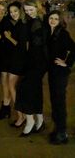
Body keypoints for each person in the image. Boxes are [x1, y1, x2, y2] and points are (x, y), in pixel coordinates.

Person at [15, 0, 47, 137]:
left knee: (25, 90)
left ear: (37, 7)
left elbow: (38, 45)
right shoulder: (33, 21)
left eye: (31, 9)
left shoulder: (38, 23)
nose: (28, 12)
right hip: (33, 61)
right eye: (26, 10)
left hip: (37, 63)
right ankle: (39, 119)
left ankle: (30, 120)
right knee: (35, 90)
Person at [47, 10, 75, 144]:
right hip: (53, 72)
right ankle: (58, 129)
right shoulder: (50, 33)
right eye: (51, 18)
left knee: (59, 102)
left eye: (56, 19)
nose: (52, 21)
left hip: (60, 73)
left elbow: (74, 48)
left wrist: (67, 63)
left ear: (60, 21)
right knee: (55, 101)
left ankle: (62, 132)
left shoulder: (62, 34)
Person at [2, 1, 28, 127]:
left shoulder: (22, 25)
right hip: (15, 59)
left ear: (20, 11)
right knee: (12, 86)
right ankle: (21, 115)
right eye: (11, 12)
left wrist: (8, 37)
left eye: (15, 11)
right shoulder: (18, 24)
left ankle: (21, 116)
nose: (13, 14)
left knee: (12, 87)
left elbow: (21, 45)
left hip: (19, 60)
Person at [0, 1, 12, 119]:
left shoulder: (6, 23)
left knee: (5, 83)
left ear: (5, 11)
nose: (0, 11)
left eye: (2, 9)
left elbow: (9, 41)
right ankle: (5, 106)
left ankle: (6, 108)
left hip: (5, 56)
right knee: (3, 82)